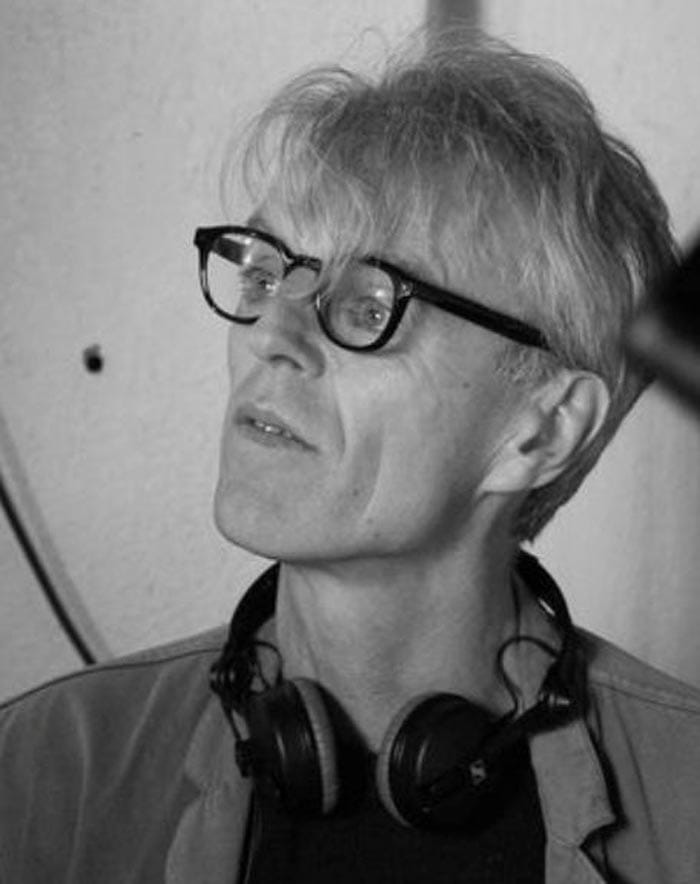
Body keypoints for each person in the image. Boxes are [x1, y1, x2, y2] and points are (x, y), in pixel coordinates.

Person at [1, 26, 699, 884]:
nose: (271, 334)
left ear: (543, 429)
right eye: (266, 274)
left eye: (369, 305)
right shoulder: (42, 776)